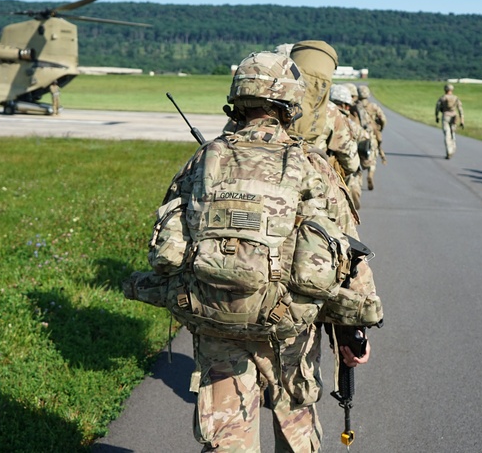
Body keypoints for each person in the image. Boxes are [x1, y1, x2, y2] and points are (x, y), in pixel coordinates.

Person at [124, 51, 382, 451]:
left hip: (215, 322)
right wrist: (352, 329)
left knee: (226, 437)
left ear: (238, 99)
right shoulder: (311, 165)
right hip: (288, 328)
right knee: (295, 431)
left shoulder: (202, 160)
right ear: (289, 103)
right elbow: (346, 255)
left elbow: (168, 245)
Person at [330, 84, 367, 210]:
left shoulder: (317, 120)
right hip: (341, 173)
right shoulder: (349, 124)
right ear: (346, 105)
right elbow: (365, 143)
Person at [356, 85, 387, 190]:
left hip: (358, 135)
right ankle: (370, 174)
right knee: (372, 157)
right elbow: (383, 119)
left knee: (358, 157)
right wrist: (379, 128)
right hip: (371, 135)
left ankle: (357, 179)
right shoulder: (373, 106)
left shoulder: (355, 106)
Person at [435, 83, 464, 159]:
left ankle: (449, 150)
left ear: (445, 89)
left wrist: (437, 116)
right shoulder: (456, 98)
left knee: (447, 134)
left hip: (445, 116)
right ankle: (453, 147)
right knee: (452, 132)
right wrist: (462, 120)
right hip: (454, 116)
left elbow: (437, 107)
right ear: (452, 89)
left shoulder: (443, 98)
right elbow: (460, 109)